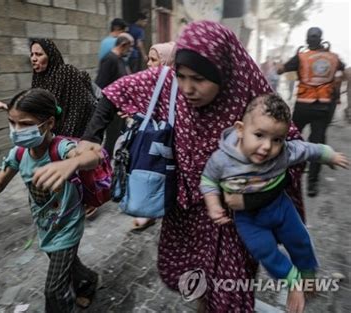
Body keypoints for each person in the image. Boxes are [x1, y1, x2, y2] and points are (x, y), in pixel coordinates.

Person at [77, 21, 307, 312]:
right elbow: (114, 93)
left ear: (223, 70)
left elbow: (293, 154)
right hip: (184, 212)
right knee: (193, 279)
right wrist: (91, 137)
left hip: (233, 223)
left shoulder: (255, 101)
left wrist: (252, 196)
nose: (187, 88)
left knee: (229, 294)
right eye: (182, 76)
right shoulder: (166, 83)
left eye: (198, 78)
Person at [200, 95, 349, 308]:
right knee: (264, 252)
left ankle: (307, 271)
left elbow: (308, 149)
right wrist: (213, 204)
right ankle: (292, 280)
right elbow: (208, 179)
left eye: (277, 139)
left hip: (281, 208)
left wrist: (329, 155)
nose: (267, 147)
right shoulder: (221, 160)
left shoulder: (285, 153)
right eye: (259, 135)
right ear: (240, 129)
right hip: (248, 220)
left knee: (300, 240)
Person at [0, 88, 101, 312]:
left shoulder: (60, 148)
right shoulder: (19, 153)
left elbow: (93, 157)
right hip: (45, 225)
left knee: (54, 289)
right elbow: (0, 180)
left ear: (49, 123)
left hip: (67, 225)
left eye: (25, 124)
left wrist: (71, 163)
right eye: (12, 123)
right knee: (66, 264)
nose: (16, 130)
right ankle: (88, 281)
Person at [277, 27, 346, 197]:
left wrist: (284, 63)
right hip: (323, 108)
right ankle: (312, 185)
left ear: (308, 40)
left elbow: (281, 70)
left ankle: (284, 175)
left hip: (303, 106)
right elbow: (344, 72)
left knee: (291, 138)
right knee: (318, 144)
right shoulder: (333, 57)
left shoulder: (302, 56)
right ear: (321, 39)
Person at [0, 38, 95, 138]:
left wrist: (64, 142)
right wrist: (4, 106)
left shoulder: (66, 72)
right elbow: (35, 109)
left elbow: (78, 109)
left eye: (39, 54)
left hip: (75, 137)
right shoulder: (38, 79)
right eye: (32, 54)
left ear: (50, 56)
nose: (33, 59)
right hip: (51, 137)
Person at [131, 41, 176, 232]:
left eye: (153, 59)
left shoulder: (177, 85)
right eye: (148, 59)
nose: (148, 63)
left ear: (167, 62)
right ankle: (150, 211)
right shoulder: (152, 84)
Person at [95, 34, 133, 160]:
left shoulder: (120, 59)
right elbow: (100, 83)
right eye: (129, 47)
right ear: (123, 45)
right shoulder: (109, 59)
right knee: (111, 138)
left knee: (118, 136)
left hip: (120, 106)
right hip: (112, 105)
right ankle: (105, 165)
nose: (130, 51)